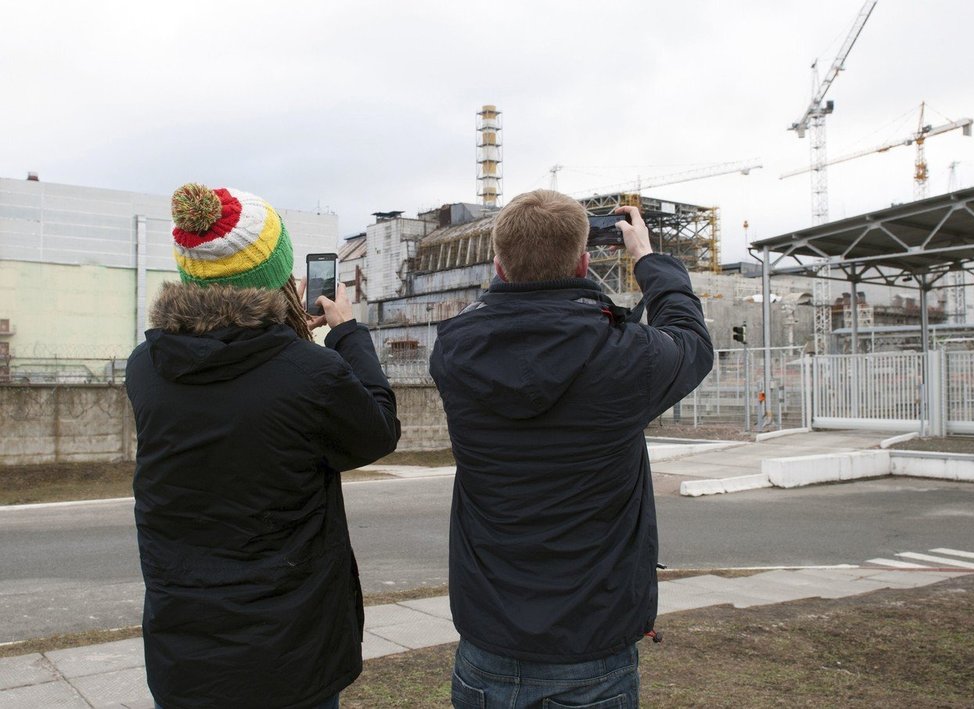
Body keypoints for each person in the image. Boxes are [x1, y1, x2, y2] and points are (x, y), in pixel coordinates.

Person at [429, 189, 713, 708]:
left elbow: (504, 316)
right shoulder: (624, 359)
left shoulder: (453, 352)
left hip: (486, 644)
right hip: (591, 648)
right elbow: (691, 340)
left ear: (497, 266)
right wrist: (646, 258)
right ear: (585, 262)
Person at [126, 183, 400, 709]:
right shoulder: (309, 372)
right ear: (278, 277)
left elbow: (246, 387)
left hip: (184, 647)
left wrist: (289, 340)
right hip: (289, 654)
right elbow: (376, 430)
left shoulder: (148, 367)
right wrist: (345, 335)